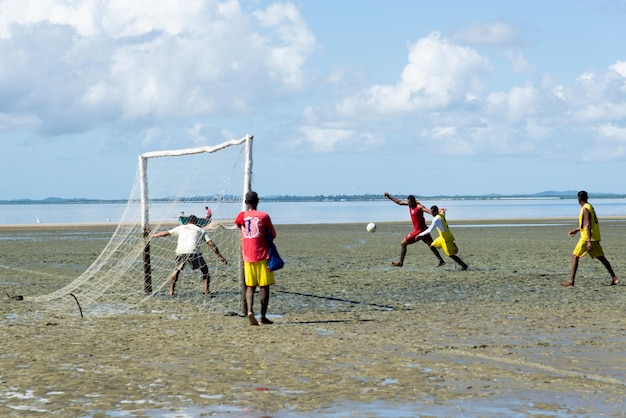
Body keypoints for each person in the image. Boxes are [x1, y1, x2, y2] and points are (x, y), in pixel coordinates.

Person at [150, 214, 227, 296]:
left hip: (181, 252)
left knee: (177, 270)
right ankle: (207, 291)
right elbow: (211, 244)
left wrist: (153, 235)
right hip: (193, 252)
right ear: (196, 222)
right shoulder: (200, 230)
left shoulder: (182, 227)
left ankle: (171, 291)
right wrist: (220, 256)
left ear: (188, 222)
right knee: (205, 270)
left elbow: (166, 233)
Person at [234, 191, 277, 325]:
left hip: (247, 255)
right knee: (264, 286)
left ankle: (250, 311)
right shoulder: (264, 216)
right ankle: (262, 317)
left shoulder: (241, 217)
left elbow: (241, 229)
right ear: (257, 201)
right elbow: (273, 234)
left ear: (246, 203)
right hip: (263, 254)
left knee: (250, 286)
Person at [561, 191, 620, 287]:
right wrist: (576, 230)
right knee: (601, 258)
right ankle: (615, 278)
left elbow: (588, 224)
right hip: (594, 237)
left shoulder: (585, 208)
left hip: (587, 238)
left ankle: (571, 281)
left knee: (575, 256)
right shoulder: (589, 206)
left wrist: (588, 241)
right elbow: (585, 225)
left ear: (579, 198)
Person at [384, 192, 445, 267]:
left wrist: (438, 211)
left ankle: (400, 263)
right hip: (424, 229)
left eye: (410, 203)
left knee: (403, 243)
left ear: (413, 201)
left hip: (419, 231)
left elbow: (428, 211)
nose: (408, 204)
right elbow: (399, 202)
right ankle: (441, 260)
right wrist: (389, 197)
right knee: (431, 246)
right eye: (408, 203)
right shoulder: (410, 204)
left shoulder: (419, 206)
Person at [419, 206, 468, 270]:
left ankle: (464, 266)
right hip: (441, 237)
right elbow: (443, 213)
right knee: (432, 246)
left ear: (436, 212)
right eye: (431, 212)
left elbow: (429, 230)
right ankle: (441, 261)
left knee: (450, 255)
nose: (431, 214)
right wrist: (443, 210)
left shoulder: (436, 219)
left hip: (446, 238)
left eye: (432, 212)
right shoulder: (441, 215)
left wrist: (420, 235)